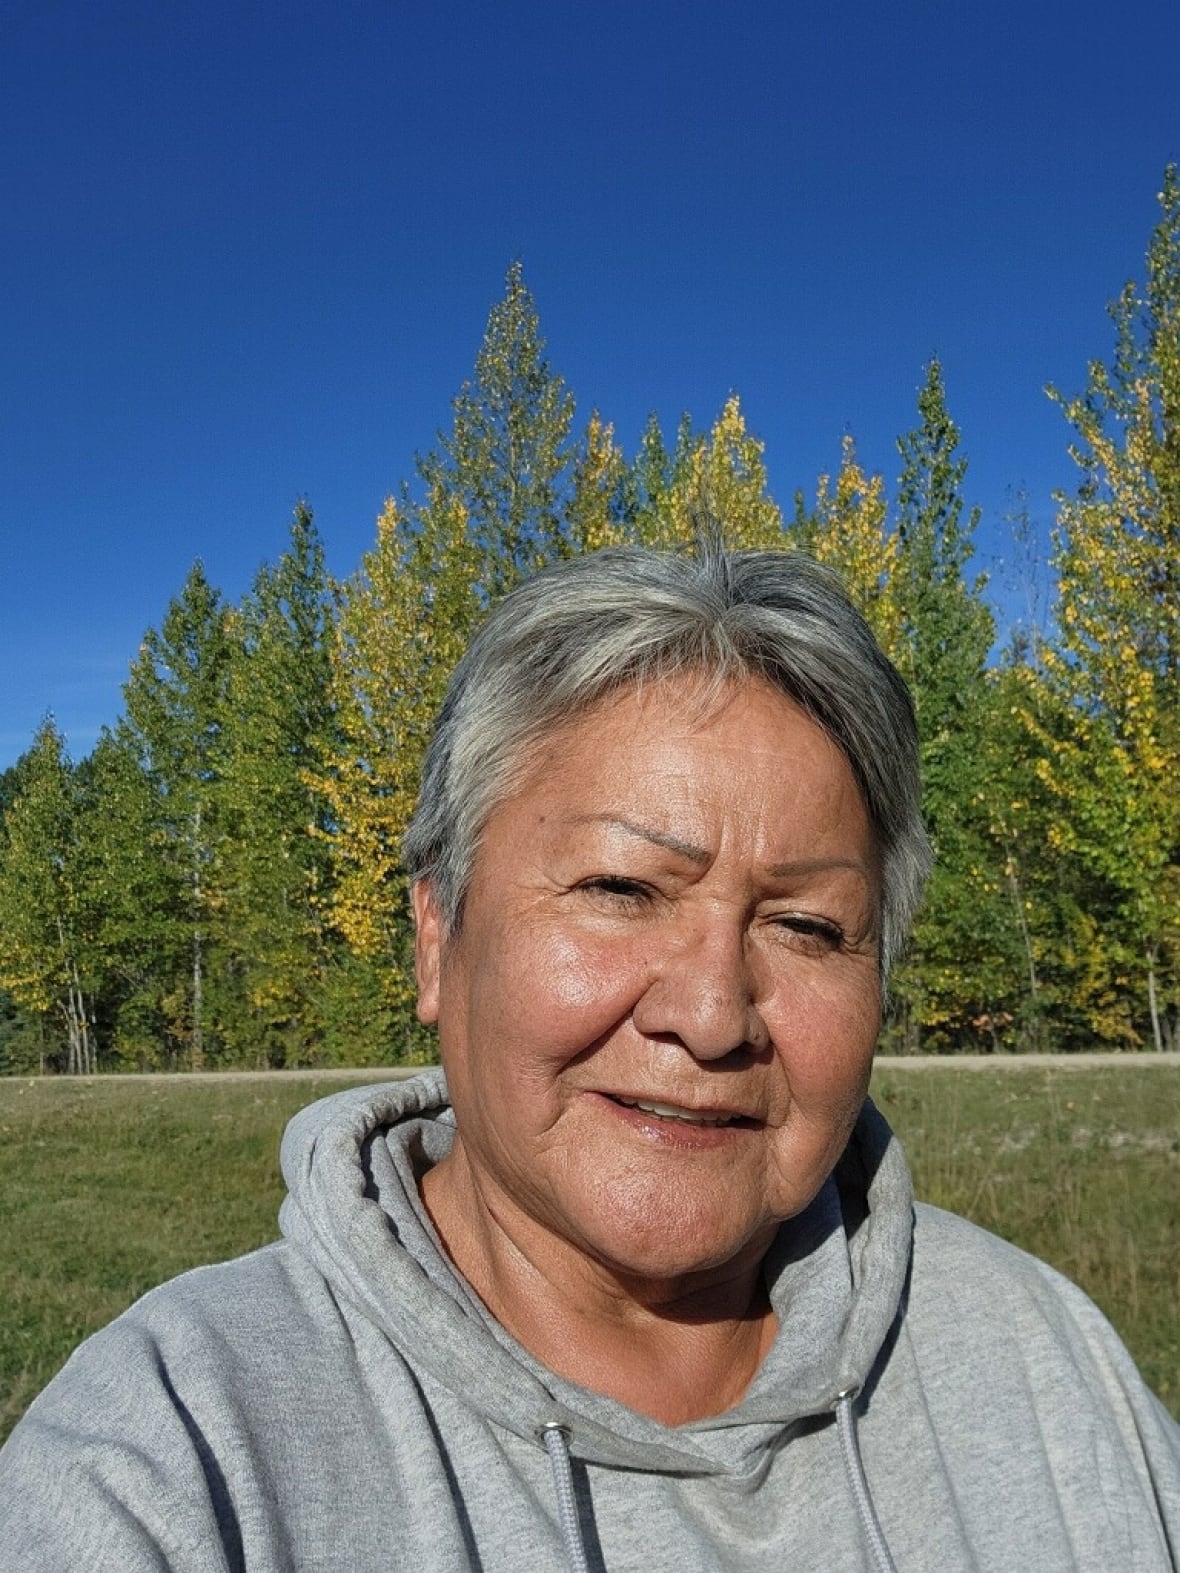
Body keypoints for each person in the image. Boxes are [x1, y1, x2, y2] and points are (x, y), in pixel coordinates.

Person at [1, 542, 1178, 1572]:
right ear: (436, 937)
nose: (713, 1015)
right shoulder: (172, 1455)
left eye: (807, 925)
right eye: (622, 888)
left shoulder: (1043, 1365)